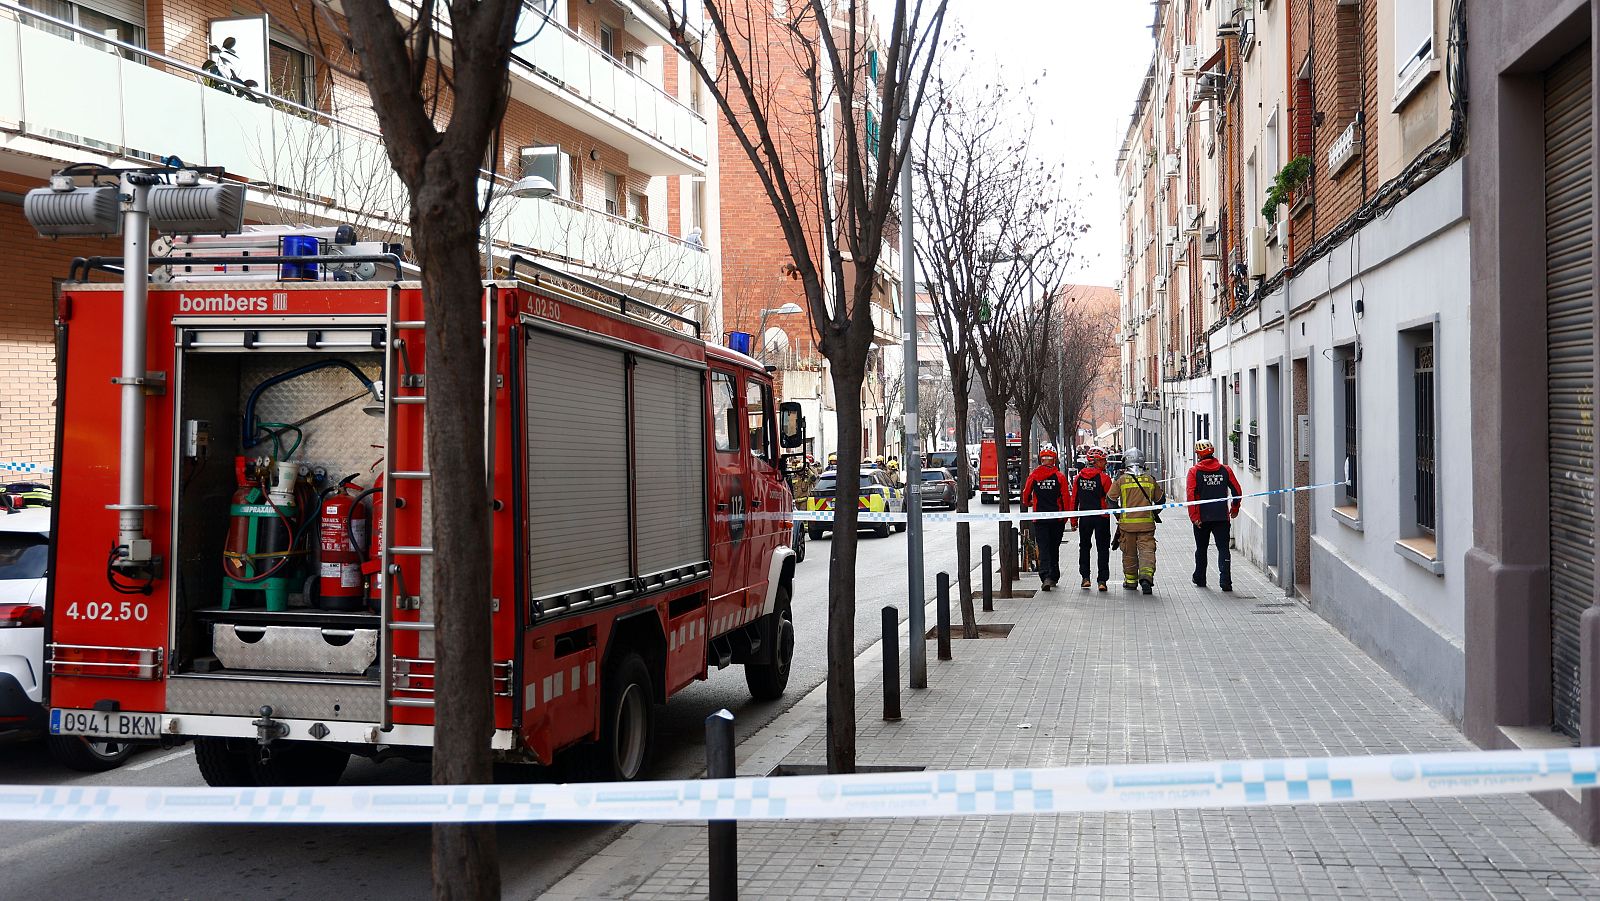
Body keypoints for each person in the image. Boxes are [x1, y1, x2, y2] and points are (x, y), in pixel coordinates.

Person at [1187, 439, 1243, 591]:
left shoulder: (1194, 472)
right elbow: (1237, 491)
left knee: (1201, 549)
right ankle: (1226, 581)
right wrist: (1235, 508)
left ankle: (1200, 578)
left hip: (1202, 518)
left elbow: (1191, 497)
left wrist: (1194, 517)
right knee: (1223, 549)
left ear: (1199, 455)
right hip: (1221, 517)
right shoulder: (1225, 470)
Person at [1111, 447, 1165, 594]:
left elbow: (1110, 500)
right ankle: (1146, 578)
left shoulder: (1121, 480)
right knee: (1147, 551)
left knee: (1129, 554)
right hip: (1146, 526)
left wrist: (1119, 516)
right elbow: (1161, 501)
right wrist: (1152, 513)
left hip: (1127, 527)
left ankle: (1131, 582)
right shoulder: (1150, 480)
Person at [1067, 447, 1115, 591]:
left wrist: (1073, 520)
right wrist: (1119, 516)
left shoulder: (1078, 478)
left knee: (1084, 547)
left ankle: (1085, 578)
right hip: (1101, 518)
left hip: (1085, 518)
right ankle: (1102, 581)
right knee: (1103, 548)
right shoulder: (1104, 478)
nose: (1105, 463)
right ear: (1096, 462)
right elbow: (1111, 499)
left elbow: (1074, 499)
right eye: (1103, 460)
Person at [1021, 448, 1068, 590]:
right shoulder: (1059, 477)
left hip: (1040, 519)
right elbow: (1066, 497)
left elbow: (1026, 495)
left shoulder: (1034, 476)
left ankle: (1045, 576)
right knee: (1054, 547)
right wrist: (1066, 517)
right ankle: (1054, 575)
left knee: (1043, 548)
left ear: (1041, 460)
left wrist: (1029, 503)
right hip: (1057, 519)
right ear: (1054, 460)